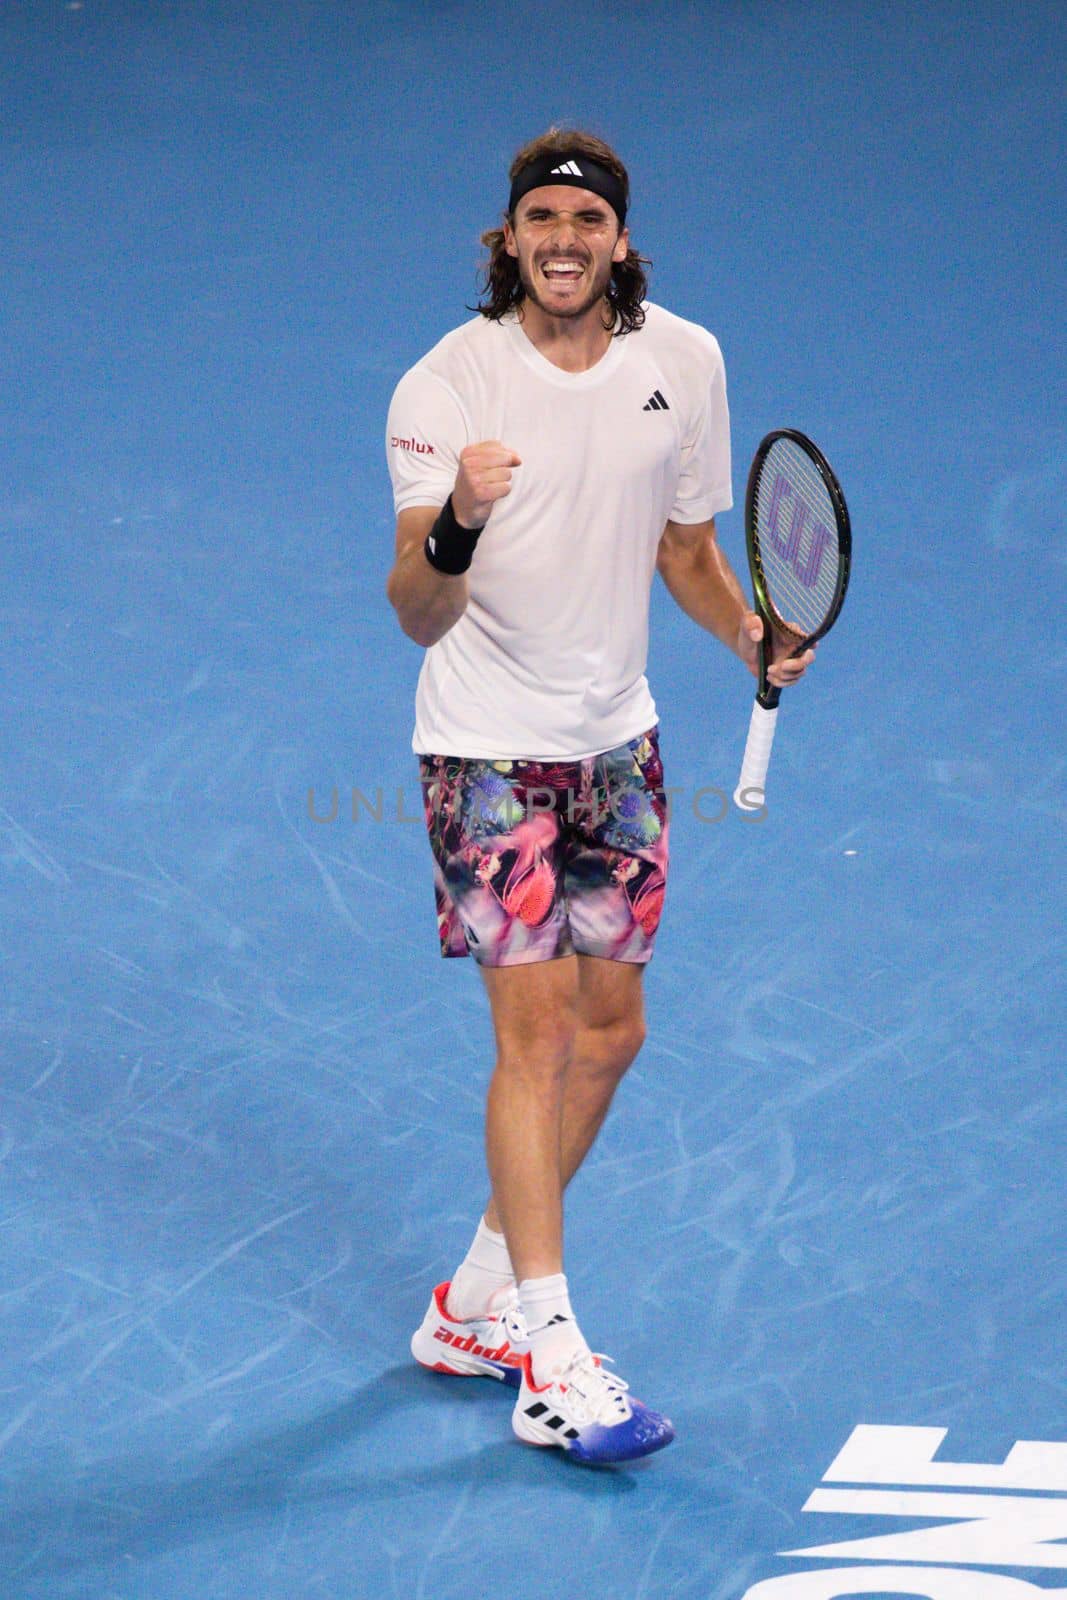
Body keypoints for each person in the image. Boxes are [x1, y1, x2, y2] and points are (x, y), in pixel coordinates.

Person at [385, 127, 813, 1466]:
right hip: (484, 750)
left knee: (613, 1031)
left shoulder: (684, 362)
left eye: (584, 218)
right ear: (505, 242)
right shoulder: (445, 385)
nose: (560, 238)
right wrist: (458, 511)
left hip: (616, 745)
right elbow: (413, 608)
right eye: (537, 220)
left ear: (617, 238)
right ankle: (550, 1357)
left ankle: (473, 1301)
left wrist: (748, 634)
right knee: (539, 1037)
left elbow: (684, 546)